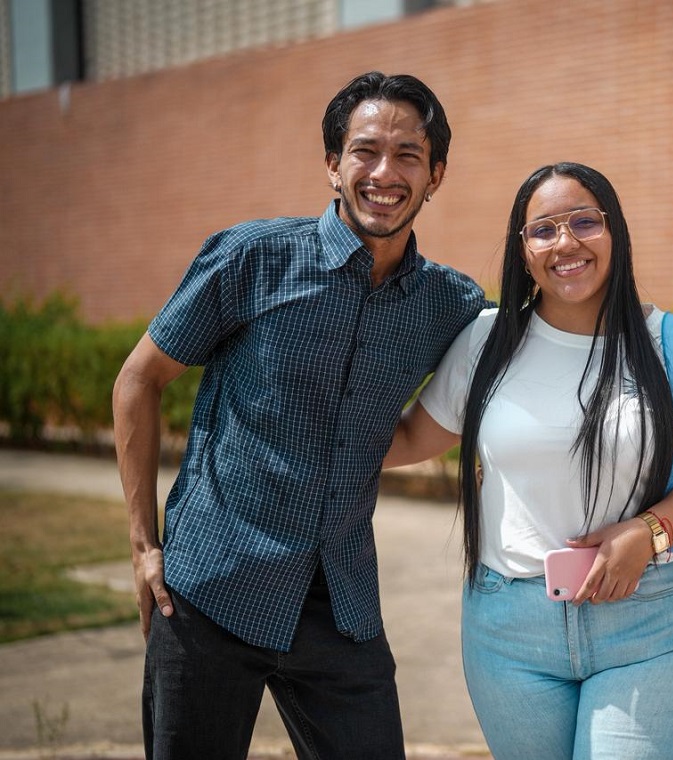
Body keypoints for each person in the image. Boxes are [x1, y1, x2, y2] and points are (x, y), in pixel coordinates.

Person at [111, 71, 487, 760]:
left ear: (436, 175)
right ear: (331, 165)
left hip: (339, 602)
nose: (384, 172)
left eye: (408, 155)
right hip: (210, 588)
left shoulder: (450, 304)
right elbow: (139, 379)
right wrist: (142, 547)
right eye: (365, 150)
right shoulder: (252, 258)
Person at [382, 162, 673, 759]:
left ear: (614, 233)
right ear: (522, 251)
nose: (565, 242)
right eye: (543, 230)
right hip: (509, 633)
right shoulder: (485, 341)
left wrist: (649, 532)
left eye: (583, 222)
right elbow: (412, 438)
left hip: (649, 622)